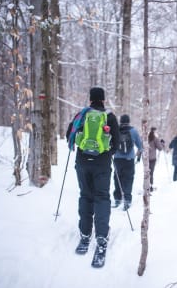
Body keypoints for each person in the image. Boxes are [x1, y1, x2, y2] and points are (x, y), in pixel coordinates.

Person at [66, 86, 120, 268]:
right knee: (102, 198)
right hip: (102, 165)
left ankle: (85, 235)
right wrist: (107, 153)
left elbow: (69, 136)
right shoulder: (110, 117)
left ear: (90, 99)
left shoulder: (81, 115)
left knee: (85, 196)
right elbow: (117, 143)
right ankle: (102, 238)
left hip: (83, 163)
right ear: (103, 100)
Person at [113, 114, 143, 211]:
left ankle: (117, 199)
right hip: (129, 160)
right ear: (129, 121)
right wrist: (139, 157)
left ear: (120, 121)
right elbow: (140, 146)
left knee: (117, 179)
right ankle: (127, 200)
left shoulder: (116, 130)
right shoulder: (133, 131)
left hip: (117, 160)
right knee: (128, 180)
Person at [148, 127, 165, 191]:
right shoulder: (155, 138)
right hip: (152, 158)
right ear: (155, 131)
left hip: (146, 158)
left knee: (146, 172)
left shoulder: (145, 137)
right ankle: (150, 186)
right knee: (151, 172)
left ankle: (146, 185)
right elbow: (160, 148)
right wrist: (162, 143)